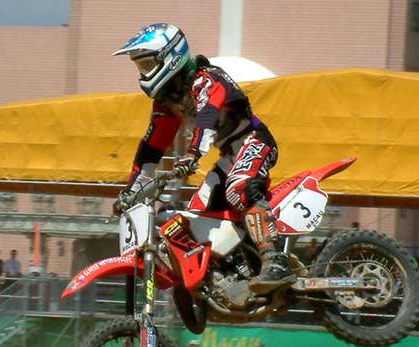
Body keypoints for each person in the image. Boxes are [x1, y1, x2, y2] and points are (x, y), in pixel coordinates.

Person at [112, 23, 295, 293]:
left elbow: (207, 117)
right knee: (194, 217)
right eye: (141, 67)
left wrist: (192, 154)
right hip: (229, 156)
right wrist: (131, 191)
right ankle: (227, 275)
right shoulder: (167, 103)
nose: (144, 73)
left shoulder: (207, 79)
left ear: (170, 56)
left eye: (148, 65)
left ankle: (275, 260)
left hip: (254, 141)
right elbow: (151, 148)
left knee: (239, 188)